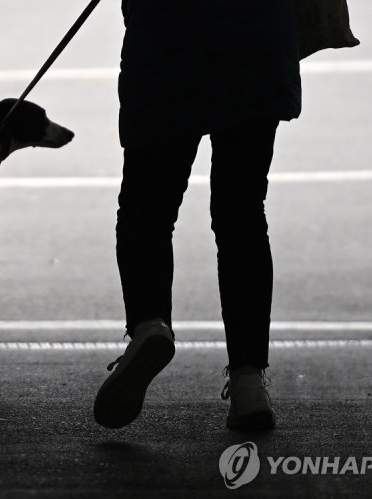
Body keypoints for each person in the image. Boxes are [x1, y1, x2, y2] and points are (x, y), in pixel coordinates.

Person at [93, 0, 302, 430]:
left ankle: (150, 323)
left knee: (146, 209)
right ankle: (248, 382)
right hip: (256, 43)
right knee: (241, 213)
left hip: (167, 43)